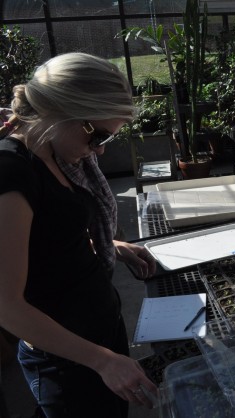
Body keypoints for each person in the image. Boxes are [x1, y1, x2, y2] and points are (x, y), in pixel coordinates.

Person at [0, 52, 158, 417]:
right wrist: (102, 361)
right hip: (65, 359)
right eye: (98, 135)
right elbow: (7, 307)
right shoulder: (11, 173)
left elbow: (50, 237)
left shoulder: (58, 155)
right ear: (63, 111)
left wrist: (111, 246)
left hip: (100, 335)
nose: (99, 150)